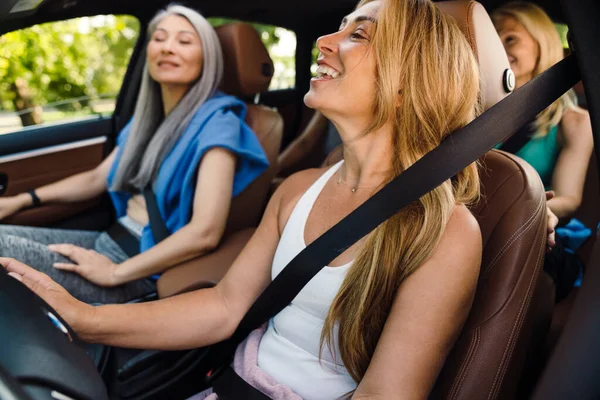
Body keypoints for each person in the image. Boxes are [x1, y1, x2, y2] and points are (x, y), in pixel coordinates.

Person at [2, 0, 482, 397]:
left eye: (359, 35)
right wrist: (86, 319)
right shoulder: (297, 191)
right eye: (339, 27)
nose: (325, 42)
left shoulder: (443, 232)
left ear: (410, 78)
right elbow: (224, 308)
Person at [0, 5, 269, 305]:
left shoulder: (220, 123)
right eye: (160, 38)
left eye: (184, 41)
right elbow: (97, 178)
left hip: (144, 271)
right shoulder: (149, 121)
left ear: (208, 59)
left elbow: (205, 232)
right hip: (110, 241)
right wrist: (20, 201)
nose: (168, 48)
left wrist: (115, 272)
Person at [492, 2, 593, 220]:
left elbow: (568, 199)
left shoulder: (574, 122)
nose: (498, 48)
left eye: (510, 39)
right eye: (493, 40)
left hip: (520, 229)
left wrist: (532, 211)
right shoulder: (474, 110)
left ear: (541, 44)